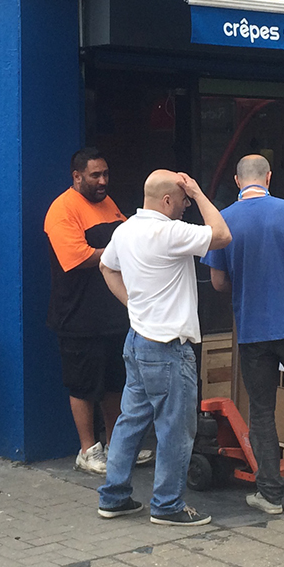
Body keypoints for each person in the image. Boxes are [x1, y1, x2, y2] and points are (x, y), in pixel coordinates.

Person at [203, 154, 284, 514]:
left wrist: (246, 283)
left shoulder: (224, 221)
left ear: (236, 181)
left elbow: (218, 282)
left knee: (262, 412)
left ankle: (270, 495)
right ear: (268, 178)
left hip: (253, 332)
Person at [96, 170, 231, 524]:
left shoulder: (124, 230)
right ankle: (168, 505)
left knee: (130, 422)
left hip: (138, 340)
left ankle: (113, 497)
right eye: (183, 200)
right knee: (175, 429)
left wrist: (132, 305)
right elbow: (222, 234)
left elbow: (106, 267)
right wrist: (199, 193)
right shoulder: (170, 233)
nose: (187, 206)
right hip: (169, 347)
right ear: (168, 200)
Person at [45, 147, 149, 475]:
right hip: (78, 316)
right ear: (77, 176)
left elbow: (129, 236)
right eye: (95, 175)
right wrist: (122, 251)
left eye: (105, 174)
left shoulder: (108, 204)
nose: (103, 181)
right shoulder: (62, 209)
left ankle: (118, 447)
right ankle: (88, 451)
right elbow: (77, 257)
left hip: (113, 315)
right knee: (83, 385)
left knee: (115, 383)